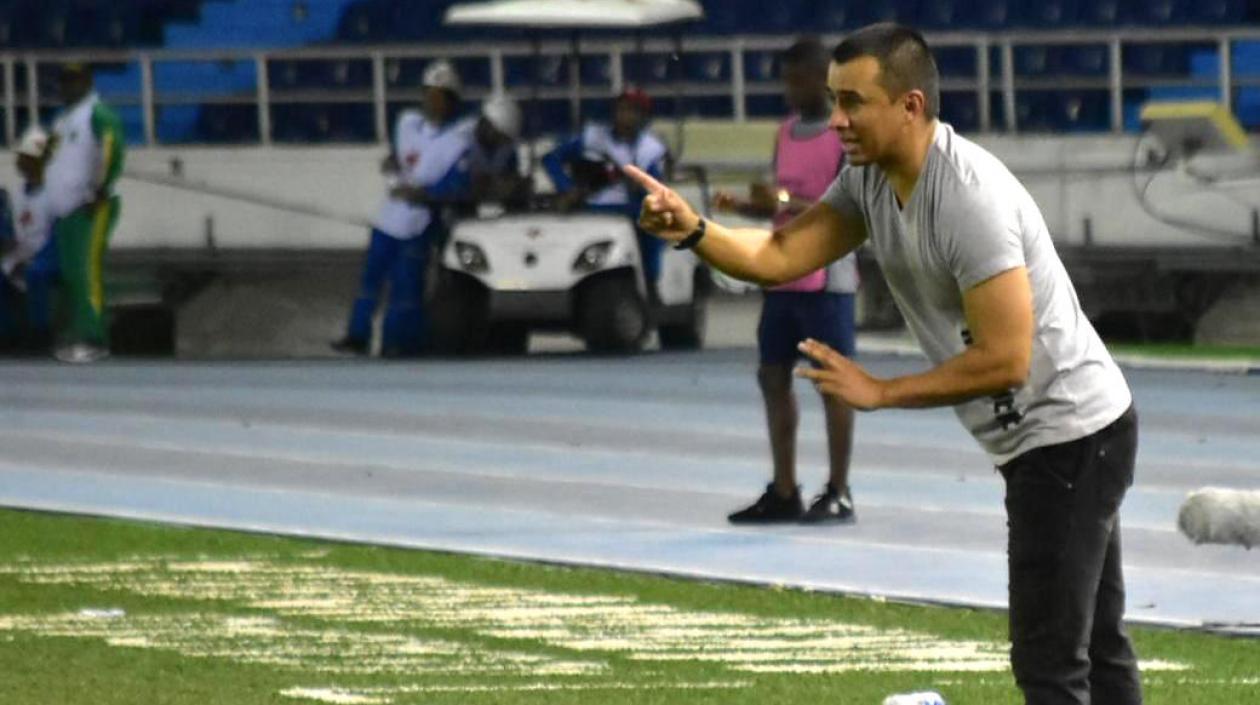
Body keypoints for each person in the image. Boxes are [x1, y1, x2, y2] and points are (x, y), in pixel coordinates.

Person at [624, 23, 1142, 705]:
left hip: (1071, 437)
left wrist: (881, 390)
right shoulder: (869, 181)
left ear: (911, 106)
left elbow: (1007, 358)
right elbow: (779, 256)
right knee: (1095, 649)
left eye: (854, 102)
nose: (836, 119)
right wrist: (694, 229)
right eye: (835, 100)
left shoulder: (968, 196)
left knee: (1050, 660)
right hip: (1060, 439)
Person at [713, 37, 861, 525]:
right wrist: (749, 206)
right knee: (772, 376)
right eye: (787, 81)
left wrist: (782, 204)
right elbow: (783, 200)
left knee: (832, 385)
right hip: (783, 274)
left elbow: (845, 210)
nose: (792, 91)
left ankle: (839, 489)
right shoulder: (785, 133)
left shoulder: (846, 136)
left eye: (800, 81)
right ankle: (784, 489)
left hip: (828, 278)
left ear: (825, 80)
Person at [332, 59, 474, 357]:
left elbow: (456, 184)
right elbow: (402, 158)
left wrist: (425, 194)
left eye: (439, 96)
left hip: (419, 224)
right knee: (370, 281)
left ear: (451, 101)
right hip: (388, 219)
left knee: (406, 288)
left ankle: (400, 343)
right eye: (428, 94)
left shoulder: (460, 140)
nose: (431, 102)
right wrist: (391, 165)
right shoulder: (407, 123)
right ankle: (358, 334)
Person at [542, 87, 667, 298]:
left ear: (642, 116)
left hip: (630, 210)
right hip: (591, 207)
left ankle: (649, 284)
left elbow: (656, 188)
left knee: (653, 228)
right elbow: (551, 159)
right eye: (622, 109)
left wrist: (642, 188)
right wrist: (567, 188)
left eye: (632, 110)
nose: (625, 115)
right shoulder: (594, 137)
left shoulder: (650, 148)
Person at [43, 62, 125, 364]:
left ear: (87, 82)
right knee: (72, 275)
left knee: (86, 272)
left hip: (90, 206)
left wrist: (99, 189)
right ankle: (79, 333)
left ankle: (95, 338)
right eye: (63, 81)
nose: (66, 87)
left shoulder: (97, 114)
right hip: (66, 210)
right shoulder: (64, 120)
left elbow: (110, 149)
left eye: (73, 81)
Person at [0, 127, 57, 353]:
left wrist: (36, 260)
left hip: (49, 255)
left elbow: (58, 236)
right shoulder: (16, 193)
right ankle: (7, 334)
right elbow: (11, 231)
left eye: (27, 158)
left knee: (36, 273)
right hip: (21, 253)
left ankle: (40, 334)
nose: (21, 162)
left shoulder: (55, 194)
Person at [469, 94, 528, 211]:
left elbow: (511, 175)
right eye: (500, 136)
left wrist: (516, 183)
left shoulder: (507, 150)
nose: (503, 142)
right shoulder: (462, 142)